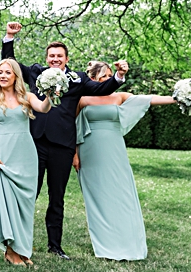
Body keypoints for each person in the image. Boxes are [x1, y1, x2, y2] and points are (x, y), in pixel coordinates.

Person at [0, 22, 126, 257]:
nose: (55, 59)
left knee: (57, 197)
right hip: (35, 143)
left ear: (66, 59)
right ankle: (19, 242)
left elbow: (102, 90)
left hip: (62, 146)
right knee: (30, 192)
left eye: (59, 56)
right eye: (51, 56)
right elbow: (11, 64)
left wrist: (119, 76)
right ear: (47, 58)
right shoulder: (37, 72)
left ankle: (55, 245)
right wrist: (9, 37)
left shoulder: (78, 79)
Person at [73, 69, 178, 260]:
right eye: (104, 76)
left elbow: (148, 99)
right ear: (94, 79)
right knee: (97, 196)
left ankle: (127, 242)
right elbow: (72, 125)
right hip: (89, 150)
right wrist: (74, 154)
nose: (108, 80)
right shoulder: (83, 99)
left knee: (122, 193)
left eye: (110, 75)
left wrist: (176, 98)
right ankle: (105, 245)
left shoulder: (120, 96)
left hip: (114, 150)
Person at [0, 58, 53, 265]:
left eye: (7, 72)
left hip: (26, 155)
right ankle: (11, 251)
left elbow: (44, 108)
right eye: (0, 72)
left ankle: (22, 249)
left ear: (15, 76)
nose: (3, 76)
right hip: (3, 156)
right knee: (7, 204)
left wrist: (49, 94)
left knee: (25, 204)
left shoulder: (27, 97)